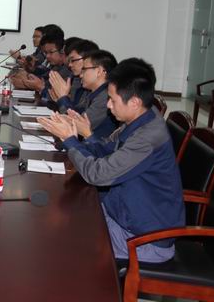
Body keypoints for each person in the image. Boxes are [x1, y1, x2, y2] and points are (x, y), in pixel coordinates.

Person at [38, 58, 184, 263]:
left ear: (134, 102)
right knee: (58, 215)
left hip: (143, 239)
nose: (108, 105)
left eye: (113, 100)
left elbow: (97, 174)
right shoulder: (143, 115)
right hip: (122, 216)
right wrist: (87, 136)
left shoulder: (147, 138)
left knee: (61, 237)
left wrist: (70, 140)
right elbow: (107, 151)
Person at [10, 32, 71, 97]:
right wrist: (30, 75)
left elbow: (54, 95)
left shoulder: (67, 70)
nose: (47, 56)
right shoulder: (56, 66)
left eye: (51, 52)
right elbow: (44, 77)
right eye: (46, 53)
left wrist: (33, 85)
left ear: (62, 51)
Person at [49, 39, 99, 112]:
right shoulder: (79, 81)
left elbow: (75, 117)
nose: (70, 65)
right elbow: (76, 111)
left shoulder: (103, 94)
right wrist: (60, 100)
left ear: (88, 59)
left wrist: (63, 98)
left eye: (73, 60)